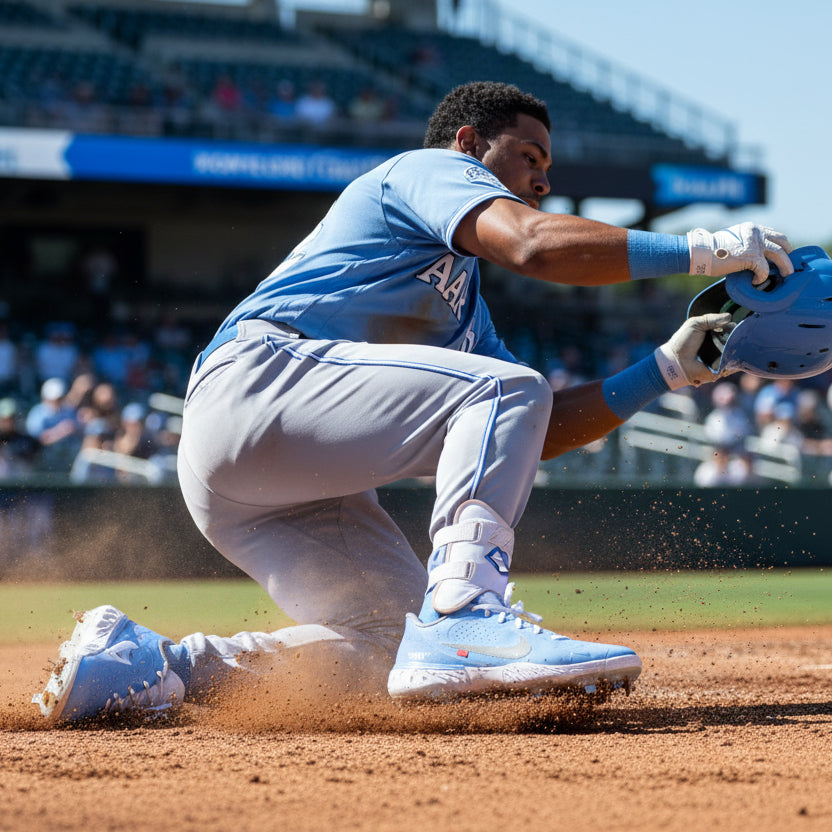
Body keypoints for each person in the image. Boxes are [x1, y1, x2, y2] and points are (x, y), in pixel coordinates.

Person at [33, 81, 794, 723]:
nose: (541, 179)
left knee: (385, 647)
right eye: (529, 157)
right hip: (255, 382)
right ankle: (466, 616)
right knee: (506, 389)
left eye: (547, 168)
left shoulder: (464, 314)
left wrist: (668, 368)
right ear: (469, 143)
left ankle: (145, 665)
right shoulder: (426, 170)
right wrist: (701, 248)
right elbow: (530, 245)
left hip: (264, 484)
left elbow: (532, 427)